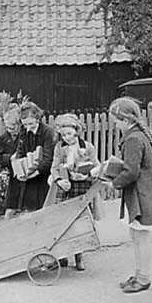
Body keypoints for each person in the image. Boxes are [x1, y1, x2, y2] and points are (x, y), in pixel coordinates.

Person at [106, 97, 152, 293]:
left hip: (142, 197)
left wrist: (113, 183)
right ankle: (140, 273)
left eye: (116, 122)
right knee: (136, 235)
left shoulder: (133, 138)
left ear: (125, 119)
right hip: (142, 194)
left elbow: (131, 171)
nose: (115, 126)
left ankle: (144, 278)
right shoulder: (137, 134)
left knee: (141, 237)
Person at [50, 114, 101, 271]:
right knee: (61, 221)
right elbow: (54, 167)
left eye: (70, 134)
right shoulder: (60, 148)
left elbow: (97, 166)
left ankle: (79, 256)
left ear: (77, 132)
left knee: (80, 222)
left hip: (81, 187)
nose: (67, 138)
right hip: (65, 187)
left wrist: (86, 175)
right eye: (63, 135)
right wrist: (59, 180)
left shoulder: (87, 147)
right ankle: (62, 257)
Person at [16, 101, 57, 211]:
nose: (27, 128)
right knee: (29, 211)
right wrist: (20, 171)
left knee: (44, 211)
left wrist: (34, 174)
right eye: (25, 125)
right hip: (29, 178)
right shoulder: (24, 132)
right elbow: (20, 153)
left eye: (30, 124)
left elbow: (48, 159)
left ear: (37, 118)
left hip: (44, 177)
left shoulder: (48, 132)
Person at [0, 107, 23, 219]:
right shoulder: (3, 139)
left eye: (12, 127)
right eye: (7, 127)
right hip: (13, 175)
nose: (10, 129)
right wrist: (11, 157)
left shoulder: (25, 136)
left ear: (19, 124)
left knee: (29, 206)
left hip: (29, 174)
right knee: (10, 206)